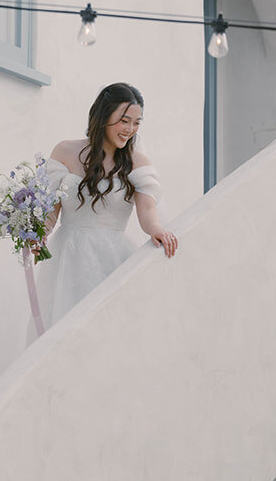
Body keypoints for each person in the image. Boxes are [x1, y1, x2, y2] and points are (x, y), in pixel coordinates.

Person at [35, 82, 177, 330]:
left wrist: (157, 229)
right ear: (103, 115)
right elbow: (51, 209)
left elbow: (146, 210)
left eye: (136, 122)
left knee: (108, 327)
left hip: (111, 257)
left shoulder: (137, 162)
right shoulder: (65, 151)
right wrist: (37, 235)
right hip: (67, 256)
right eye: (124, 120)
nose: (130, 129)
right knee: (63, 326)